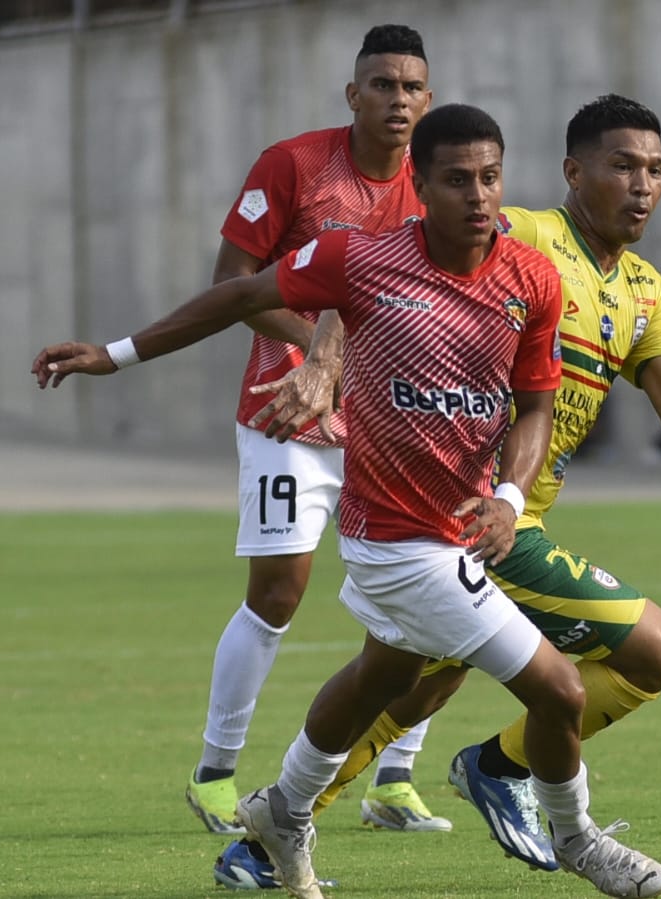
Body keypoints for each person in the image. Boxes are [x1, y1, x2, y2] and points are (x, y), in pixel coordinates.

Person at [33, 103, 661, 899]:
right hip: (399, 541)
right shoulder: (361, 260)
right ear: (420, 184)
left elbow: (535, 405)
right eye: (455, 180)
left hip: (465, 526)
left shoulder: (529, 279)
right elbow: (237, 296)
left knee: (381, 678)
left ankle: (283, 810)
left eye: (490, 178)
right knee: (559, 689)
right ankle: (577, 841)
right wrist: (114, 354)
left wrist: (510, 494)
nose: (478, 197)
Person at [251, 93, 661, 875]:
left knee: (403, 688)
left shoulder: (646, 292)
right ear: (572, 171)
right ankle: (503, 768)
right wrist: (324, 359)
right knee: (653, 649)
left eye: (655, 170)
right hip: (463, 514)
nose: (642, 186)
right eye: (621, 166)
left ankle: (265, 841)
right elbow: (379, 263)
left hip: (500, 519)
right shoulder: (523, 231)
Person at [186, 24, 453, 840]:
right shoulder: (295, 166)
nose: (397, 100)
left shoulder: (438, 182)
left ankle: (395, 779)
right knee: (278, 593)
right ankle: (216, 774)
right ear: (353, 94)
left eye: (411, 87)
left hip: (393, 430)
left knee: (427, 595)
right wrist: (317, 347)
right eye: (381, 84)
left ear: (427, 99)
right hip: (288, 413)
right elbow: (231, 284)